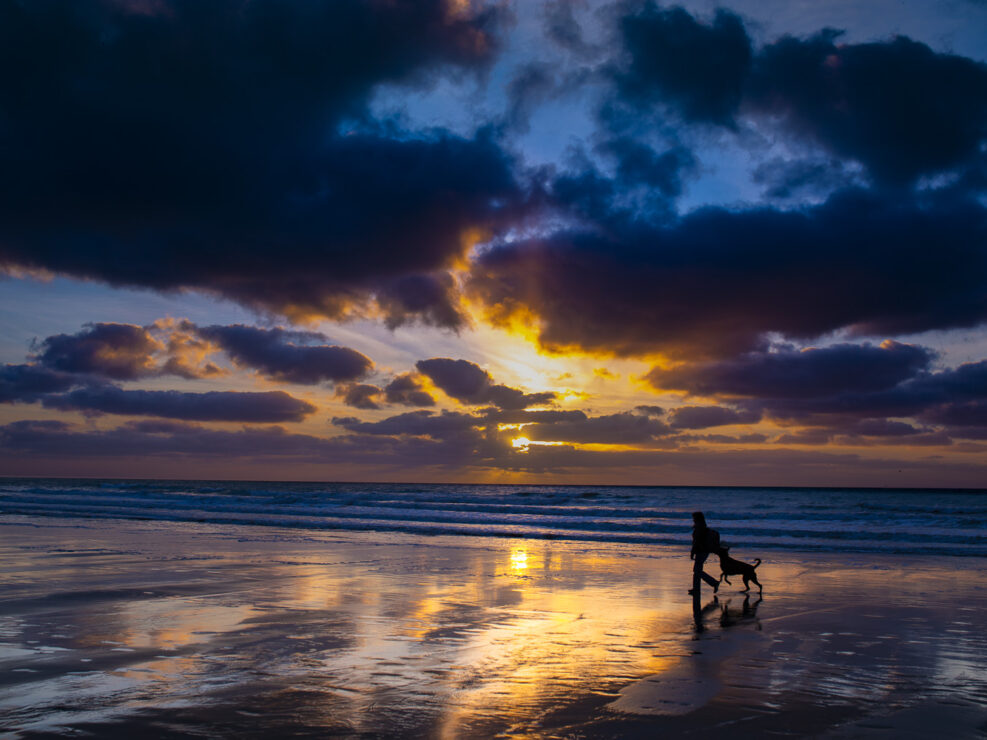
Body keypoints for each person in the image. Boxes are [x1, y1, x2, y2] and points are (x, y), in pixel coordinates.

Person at [689, 511, 720, 595]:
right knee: (697, 570)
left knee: (697, 570)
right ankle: (696, 589)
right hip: (704, 550)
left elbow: (696, 541)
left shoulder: (699, 527)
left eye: (694, 518)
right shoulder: (703, 526)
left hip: (701, 551)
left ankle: (714, 583)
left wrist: (692, 552)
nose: (693, 519)